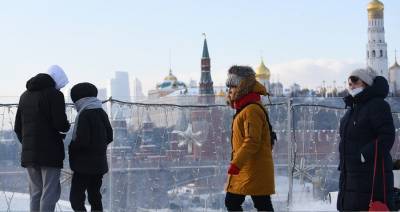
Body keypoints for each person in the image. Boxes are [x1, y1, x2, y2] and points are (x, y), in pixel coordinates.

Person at [14, 65, 70, 211]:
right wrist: (66, 127)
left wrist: (28, 143)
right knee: (49, 193)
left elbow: (17, 127)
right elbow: (61, 124)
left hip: (29, 154)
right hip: (50, 153)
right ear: (56, 80)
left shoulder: (24, 95)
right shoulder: (55, 95)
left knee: (35, 193)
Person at [337, 68, 395, 211]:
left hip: (369, 177)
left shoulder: (377, 105)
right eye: (349, 82)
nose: (351, 85)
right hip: (351, 176)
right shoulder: (353, 108)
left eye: (355, 80)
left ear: (366, 83)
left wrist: (364, 155)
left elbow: (387, 136)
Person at [224, 65, 275, 211]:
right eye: (229, 87)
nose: (230, 91)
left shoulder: (251, 109)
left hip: (252, 167)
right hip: (248, 166)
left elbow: (252, 140)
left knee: (234, 202)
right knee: (261, 204)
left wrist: (236, 164)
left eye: (233, 86)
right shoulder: (245, 108)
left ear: (242, 87)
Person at [69, 82, 113, 211]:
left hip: (83, 166)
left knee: (76, 199)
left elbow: (82, 140)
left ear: (79, 100)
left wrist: (72, 147)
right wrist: (98, 147)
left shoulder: (84, 114)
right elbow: (110, 136)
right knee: (95, 197)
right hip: (99, 164)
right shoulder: (101, 112)